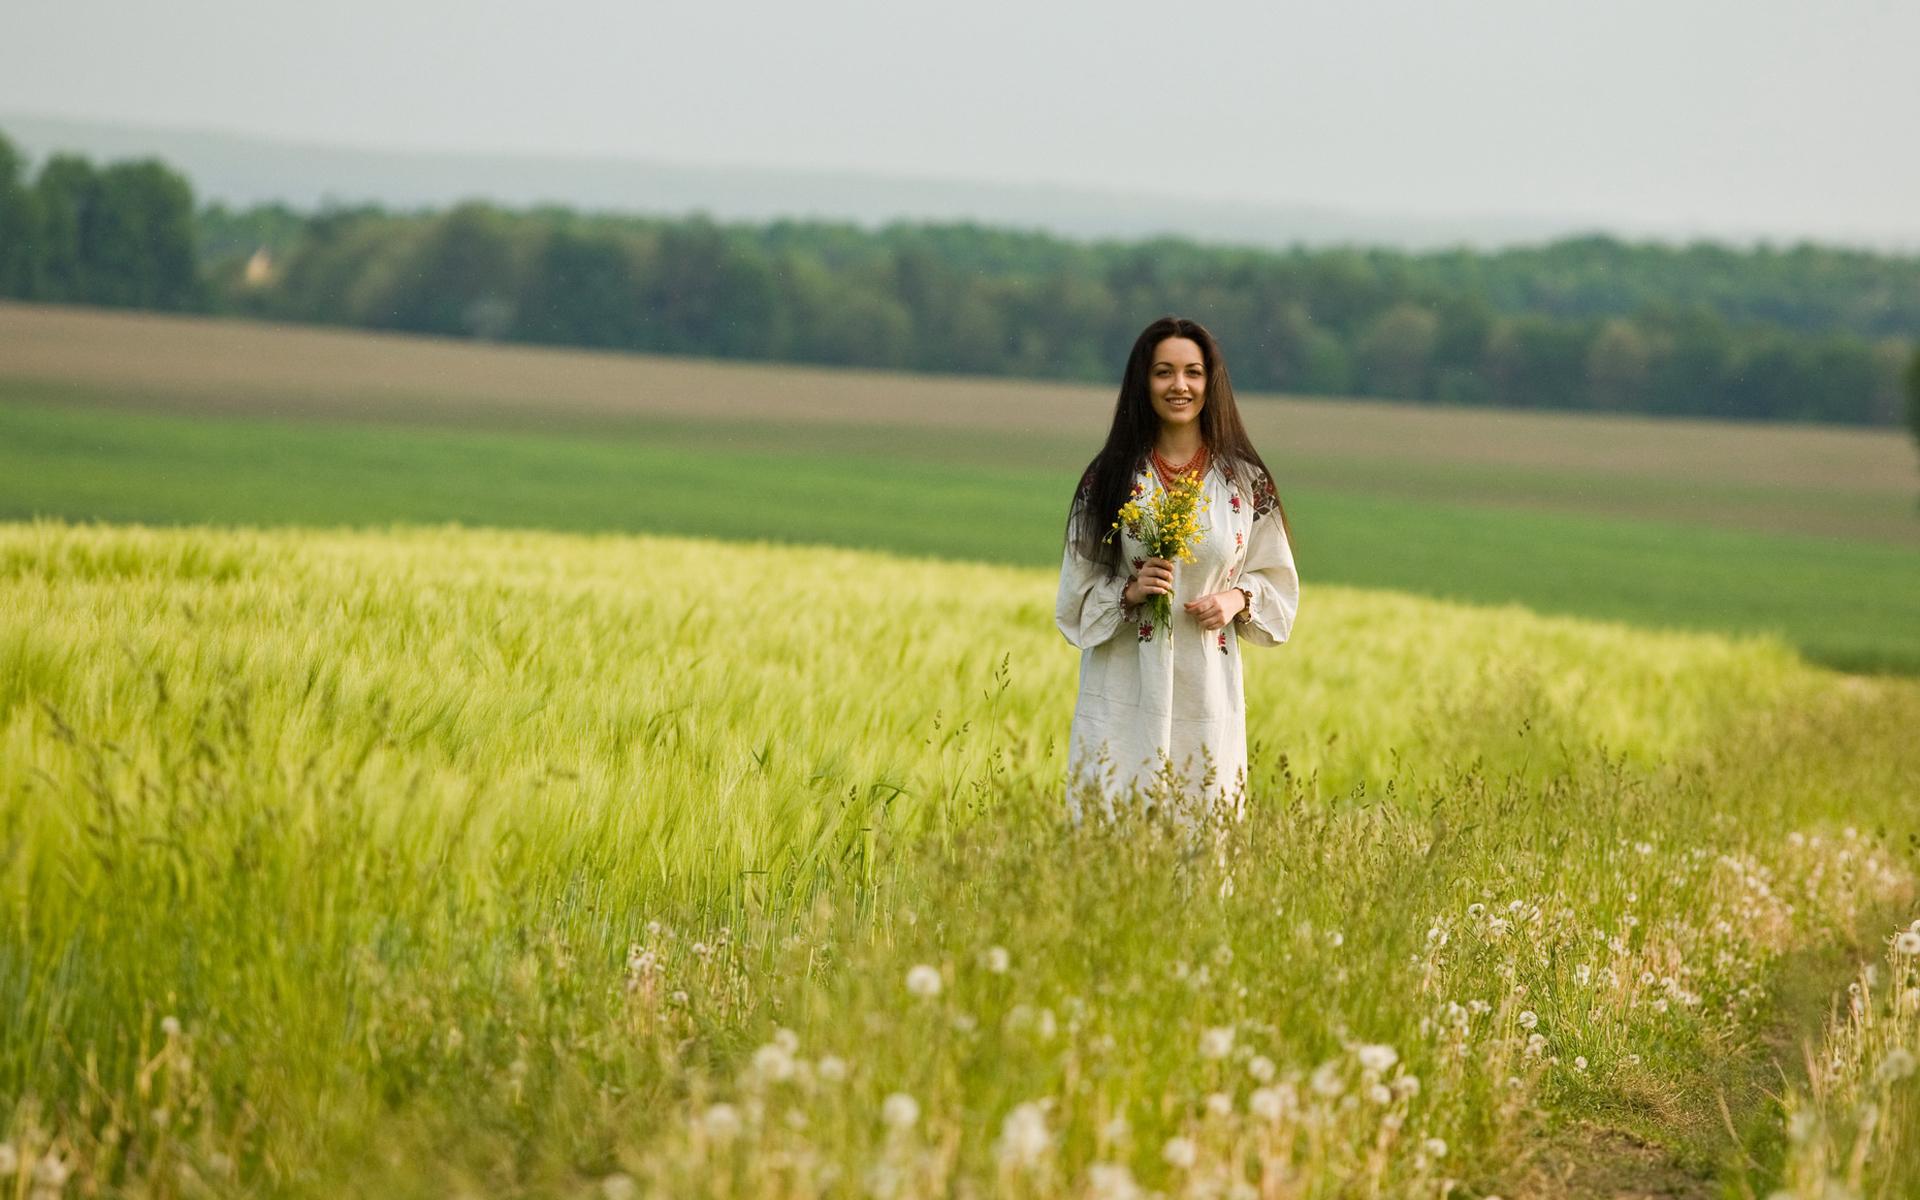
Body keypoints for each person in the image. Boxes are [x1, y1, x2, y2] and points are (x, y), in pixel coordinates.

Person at [1054, 315, 1299, 826]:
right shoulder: (1109, 477)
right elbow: (1075, 595)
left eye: (1192, 372)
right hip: (1123, 689)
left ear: (1211, 382)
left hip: (1204, 690)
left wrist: (1236, 599)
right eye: (1164, 372)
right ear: (1143, 383)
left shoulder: (1245, 482)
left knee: (1200, 844)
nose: (1179, 385)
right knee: (1110, 846)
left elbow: (1277, 584)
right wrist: (1129, 590)